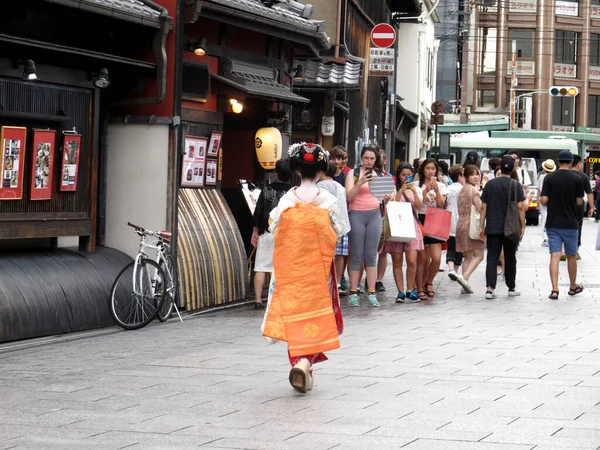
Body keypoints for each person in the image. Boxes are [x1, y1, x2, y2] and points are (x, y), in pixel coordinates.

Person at [262, 142, 344, 394]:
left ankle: (300, 363)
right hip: (317, 269)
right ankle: (306, 362)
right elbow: (338, 230)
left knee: (293, 312)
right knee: (316, 313)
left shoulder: (287, 199)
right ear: (321, 171)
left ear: (297, 171)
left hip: (290, 268)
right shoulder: (328, 200)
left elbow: (273, 228)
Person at [478, 156, 526, 299]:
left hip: (493, 226)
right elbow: (520, 207)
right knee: (510, 257)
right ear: (512, 169)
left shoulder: (490, 185)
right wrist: (522, 226)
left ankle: (490, 288)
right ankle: (511, 287)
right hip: (510, 227)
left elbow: (483, 207)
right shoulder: (515, 185)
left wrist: (481, 226)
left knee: (492, 257)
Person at [540, 150, 585, 300]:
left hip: (553, 222)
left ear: (558, 162)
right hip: (571, 223)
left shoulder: (549, 178)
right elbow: (580, 201)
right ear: (572, 162)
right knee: (571, 256)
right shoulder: (577, 179)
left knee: (555, 255)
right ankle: (572, 287)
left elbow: (544, 200)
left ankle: (554, 289)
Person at [345, 144, 384, 307]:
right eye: (366, 158)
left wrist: (387, 197)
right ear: (361, 158)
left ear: (376, 160)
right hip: (356, 214)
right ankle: (353, 292)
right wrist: (360, 182)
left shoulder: (381, 175)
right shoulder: (352, 173)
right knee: (356, 254)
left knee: (372, 254)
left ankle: (372, 292)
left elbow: (385, 196)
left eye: (372, 158)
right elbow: (349, 196)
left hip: (374, 214)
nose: (368, 161)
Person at [380, 163, 424, 303]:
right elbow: (393, 204)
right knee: (397, 261)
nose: (406, 177)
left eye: (408, 174)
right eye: (403, 174)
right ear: (399, 175)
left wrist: (414, 192)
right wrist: (401, 190)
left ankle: (410, 289)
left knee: (412, 260)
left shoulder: (415, 188)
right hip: (397, 226)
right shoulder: (393, 188)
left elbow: (419, 206)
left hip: (412, 226)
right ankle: (400, 291)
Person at [251, 160, 292, 309]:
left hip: (266, 232)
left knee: (261, 266)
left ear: (276, 174)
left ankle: (257, 300)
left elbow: (258, 212)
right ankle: (278, 299)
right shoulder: (292, 192)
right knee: (282, 268)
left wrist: (255, 232)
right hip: (286, 235)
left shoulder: (267, 190)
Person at [318, 160, 351, 296]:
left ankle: (325, 281)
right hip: (341, 225)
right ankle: (337, 282)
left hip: (326, 226)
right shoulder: (340, 187)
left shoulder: (319, 186)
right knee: (339, 256)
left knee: (325, 255)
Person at [416, 158, 448, 299]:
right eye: (428, 168)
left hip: (435, 218)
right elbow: (417, 205)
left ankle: (429, 282)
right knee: (422, 258)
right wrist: (425, 191)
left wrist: (436, 191)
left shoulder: (441, 185)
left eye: (433, 169)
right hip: (421, 218)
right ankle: (420, 286)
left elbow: (441, 205)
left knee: (436, 258)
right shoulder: (418, 185)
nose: (430, 171)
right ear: (423, 169)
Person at [454, 165, 485, 293]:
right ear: (466, 176)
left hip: (461, 223)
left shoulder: (461, 190)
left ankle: (464, 286)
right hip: (472, 225)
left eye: (477, 174)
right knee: (479, 255)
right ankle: (464, 277)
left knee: (467, 256)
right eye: (473, 174)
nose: (476, 177)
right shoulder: (473, 191)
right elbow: (480, 208)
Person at [570, 155, 595, 260]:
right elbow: (589, 193)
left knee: (562, 227)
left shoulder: (561, 174)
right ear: (579, 165)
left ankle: (562, 250)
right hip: (578, 207)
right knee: (577, 228)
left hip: (563, 206)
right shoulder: (583, 176)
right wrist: (592, 207)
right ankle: (575, 252)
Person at [445, 165, 464, 283]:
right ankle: (455, 270)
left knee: (451, 246)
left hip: (449, 220)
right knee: (460, 248)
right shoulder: (463, 189)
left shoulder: (448, 188)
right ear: (460, 176)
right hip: (461, 220)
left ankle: (451, 268)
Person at [538, 159, 556, 248]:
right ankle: (551, 237)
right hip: (553, 200)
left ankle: (545, 238)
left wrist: (538, 200)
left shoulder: (541, 177)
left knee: (544, 218)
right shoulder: (555, 177)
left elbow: (539, 190)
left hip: (543, 199)